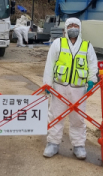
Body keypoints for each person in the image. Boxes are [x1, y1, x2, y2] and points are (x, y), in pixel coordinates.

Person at [42, 17, 98, 160]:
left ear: (79, 28)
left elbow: (92, 64)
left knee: (78, 118)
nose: (73, 28)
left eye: (76, 25)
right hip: (59, 87)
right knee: (55, 115)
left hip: (79, 89)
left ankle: (79, 146)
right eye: (70, 25)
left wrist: (92, 80)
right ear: (66, 28)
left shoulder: (87, 46)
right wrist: (47, 83)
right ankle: (52, 143)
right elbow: (50, 63)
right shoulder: (57, 43)